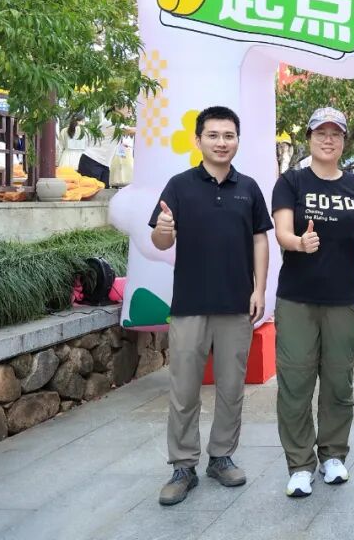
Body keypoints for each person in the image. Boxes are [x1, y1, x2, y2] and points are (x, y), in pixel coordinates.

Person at [148, 106, 271, 506]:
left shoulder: (248, 188)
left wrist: (259, 289)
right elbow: (161, 241)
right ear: (198, 140)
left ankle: (221, 457)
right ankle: (183, 466)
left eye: (228, 135)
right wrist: (163, 230)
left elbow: (260, 239)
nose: (221, 142)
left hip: (236, 304)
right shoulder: (179, 186)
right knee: (184, 389)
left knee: (232, 388)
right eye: (213, 135)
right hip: (190, 304)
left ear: (237, 140)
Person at [271, 108, 354, 498]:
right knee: (295, 382)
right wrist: (300, 243)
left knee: (338, 382)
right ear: (309, 138)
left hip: (342, 297)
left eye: (336, 134)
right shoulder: (292, 181)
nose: (328, 140)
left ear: (344, 140)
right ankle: (300, 464)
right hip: (297, 297)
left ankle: (333, 455)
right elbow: (282, 232)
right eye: (320, 133)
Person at [78, 114, 120, 187]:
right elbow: (130, 130)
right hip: (92, 160)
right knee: (89, 190)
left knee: (104, 191)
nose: (130, 112)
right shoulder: (110, 121)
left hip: (104, 164)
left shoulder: (118, 123)